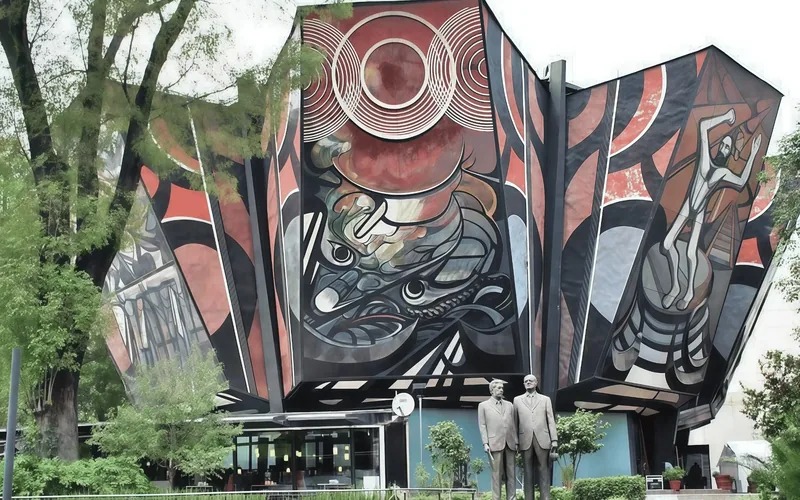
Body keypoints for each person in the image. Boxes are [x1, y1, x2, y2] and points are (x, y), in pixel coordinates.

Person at [660, 108, 762, 310]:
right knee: (667, 243)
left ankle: (688, 292)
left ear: (730, 152)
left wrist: (753, 154)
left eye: (727, 147)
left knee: (691, 253)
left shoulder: (723, 173)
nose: (723, 148)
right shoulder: (705, 158)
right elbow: (703, 126)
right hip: (687, 206)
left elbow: (741, 181)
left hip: (698, 212)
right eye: (723, 144)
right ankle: (674, 287)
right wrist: (725, 117)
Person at [513, 375, 558, 500]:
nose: (528, 382)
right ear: (523, 384)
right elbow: (514, 423)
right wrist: (516, 441)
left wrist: (554, 439)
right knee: (527, 471)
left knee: (544, 469)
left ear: (536, 383)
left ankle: (545, 497)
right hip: (524, 440)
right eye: (526, 381)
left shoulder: (545, 399)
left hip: (542, 438)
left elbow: (551, 420)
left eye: (531, 380)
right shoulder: (517, 400)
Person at [478, 379, 517, 500]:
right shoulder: (483, 406)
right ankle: (496, 498)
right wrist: (485, 443)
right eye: (498, 388)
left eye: (502, 388)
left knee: (511, 473)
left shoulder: (509, 405)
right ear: (492, 390)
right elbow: (482, 425)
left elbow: (513, 424)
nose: (501, 390)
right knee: (496, 474)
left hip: (510, 443)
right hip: (494, 443)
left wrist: (516, 441)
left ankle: (512, 497)